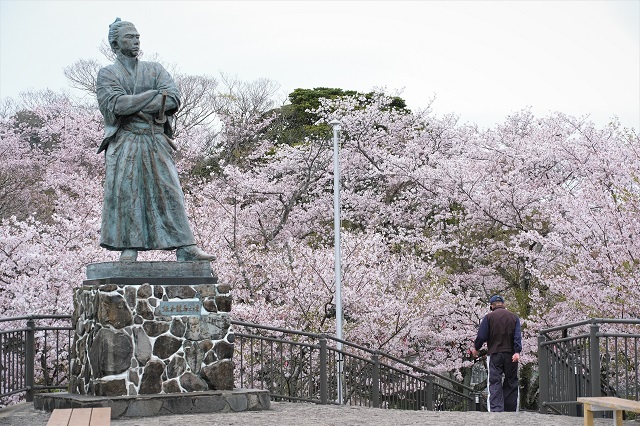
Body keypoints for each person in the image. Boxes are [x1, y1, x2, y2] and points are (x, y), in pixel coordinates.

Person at [96, 18, 214, 262]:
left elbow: (172, 100)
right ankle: (128, 246)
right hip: (125, 141)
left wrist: (135, 103)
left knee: (170, 191)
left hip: (155, 138)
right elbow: (116, 104)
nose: (136, 40)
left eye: (138, 36)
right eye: (130, 36)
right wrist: (152, 96)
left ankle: (185, 246)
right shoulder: (108, 74)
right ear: (115, 43)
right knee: (127, 193)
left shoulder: (155, 69)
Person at [471, 295, 522, 412]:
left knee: (494, 382)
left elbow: (482, 336)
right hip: (511, 354)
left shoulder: (489, 317)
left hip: (494, 354)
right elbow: (517, 336)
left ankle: (496, 410)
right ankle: (511, 410)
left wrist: (476, 347)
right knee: (511, 381)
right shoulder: (514, 317)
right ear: (503, 304)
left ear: (491, 306)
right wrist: (517, 351)